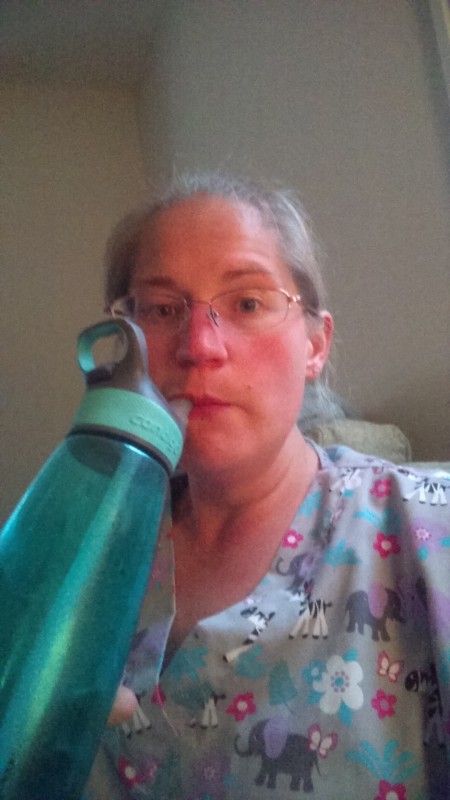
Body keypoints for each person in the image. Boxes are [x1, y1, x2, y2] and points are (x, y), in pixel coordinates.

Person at [86, 173, 449, 799]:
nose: (199, 346)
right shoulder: (81, 556)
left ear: (315, 344)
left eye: (248, 303)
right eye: (163, 309)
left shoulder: (431, 530)